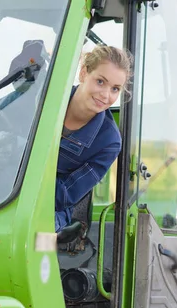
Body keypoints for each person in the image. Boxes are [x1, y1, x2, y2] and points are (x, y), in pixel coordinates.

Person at [55, 46, 133, 232]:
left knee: (36, 244)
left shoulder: (108, 142)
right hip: (0, 183)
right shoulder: (47, 97)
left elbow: (65, 196)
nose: (106, 95)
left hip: (50, 209)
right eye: (100, 82)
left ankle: (51, 256)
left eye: (115, 89)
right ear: (83, 73)